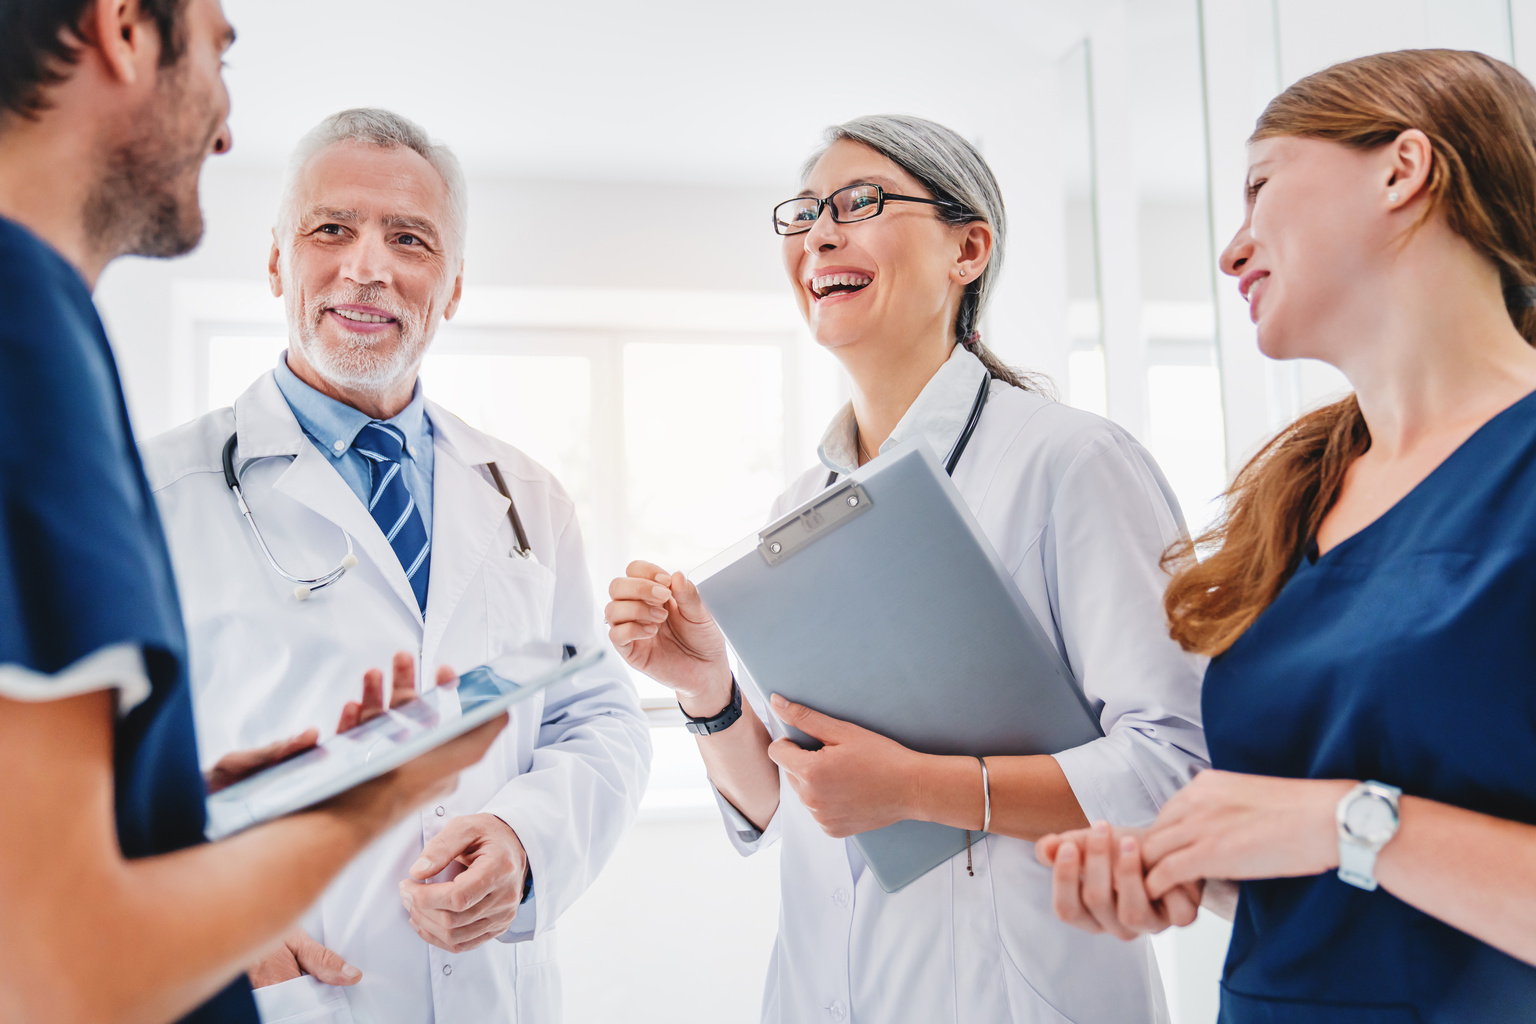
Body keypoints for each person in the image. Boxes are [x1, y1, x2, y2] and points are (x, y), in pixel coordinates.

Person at [606, 114, 1208, 1023]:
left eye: (861, 203)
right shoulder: (803, 502)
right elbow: (787, 800)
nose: (820, 233)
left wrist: (922, 786)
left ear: (969, 249)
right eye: (805, 213)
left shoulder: (1072, 464)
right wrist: (706, 689)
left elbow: (1180, 773)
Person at [0, 4, 504, 1024]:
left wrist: (192, 804)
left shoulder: (40, 326)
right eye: (219, 51)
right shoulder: (25, 341)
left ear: (452, 285)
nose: (226, 127)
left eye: (409, 238)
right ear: (126, 31)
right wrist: (377, 795)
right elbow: (58, 973)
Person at [1037, 49, 1536, 1022]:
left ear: (1404, 169)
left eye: (1260, 186)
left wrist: (1346, 821)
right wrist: (1184, 864)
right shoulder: (1299, 502)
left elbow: (1345, 832)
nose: (1231, 250)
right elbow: (1332, 868)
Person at [139, 107, 652, 1023]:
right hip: (280, 987)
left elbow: (597, 714)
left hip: (494, 992)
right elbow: (74, 769)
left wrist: (523, 840)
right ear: (275, 262)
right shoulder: (155, 493)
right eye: (331, 228)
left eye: (409, 239)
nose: (368, 265)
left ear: (451, 286)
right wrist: (197, 910)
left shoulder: (526, 496)